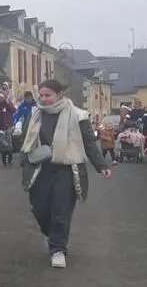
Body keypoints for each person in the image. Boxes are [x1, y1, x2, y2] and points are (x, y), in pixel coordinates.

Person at [19, 79, 112, 269]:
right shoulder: (35, 115)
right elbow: (25, 141)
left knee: (61, 211)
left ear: (59, 94)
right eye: (41, 95)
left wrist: (101, 165)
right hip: (40, 169)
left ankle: (58, 249)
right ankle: (52, 235)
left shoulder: (78, 115)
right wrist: (23, 161)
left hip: (67, 169)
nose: (43, 99)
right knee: (40, 209)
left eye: (48, 95)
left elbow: (89, 143)